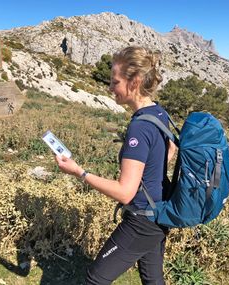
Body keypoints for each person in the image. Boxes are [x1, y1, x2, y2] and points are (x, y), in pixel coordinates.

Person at [55, 46, 176, 285]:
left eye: (115, 82)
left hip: (142, 220)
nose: (110, 88)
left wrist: (79, 172)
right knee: (152, 279)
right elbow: (170, 151)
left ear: (135, 82)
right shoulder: (159, 113)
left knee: (95, 279)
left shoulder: (140, 127)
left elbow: (124, 191)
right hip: (160, 212)